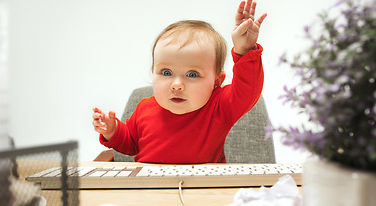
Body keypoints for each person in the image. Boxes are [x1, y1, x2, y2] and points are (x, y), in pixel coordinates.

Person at [92, 0, 267, 163]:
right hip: (150, 188)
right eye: (166, 72)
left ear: (216, 81)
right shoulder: (144, 109)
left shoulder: (219, 107)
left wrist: (244, 50)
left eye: (192, 74)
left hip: (203, 189)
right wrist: (113, 130)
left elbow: (247, 90)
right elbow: (130, 143)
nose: (176, 84)